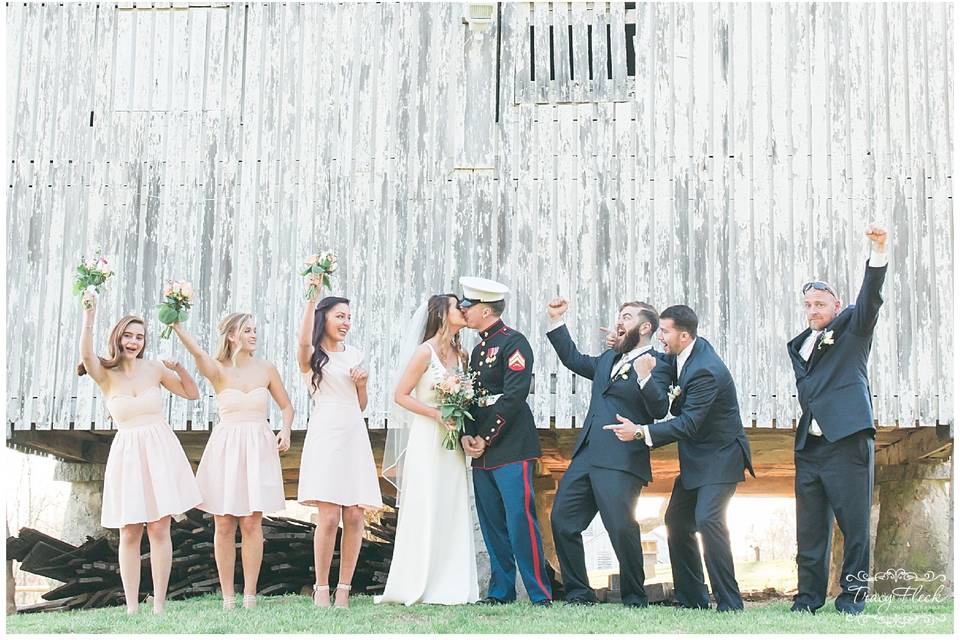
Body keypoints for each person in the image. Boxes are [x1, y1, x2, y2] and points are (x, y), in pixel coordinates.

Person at [606, 305, 754, 612]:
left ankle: (730, 603)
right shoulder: (684, 353)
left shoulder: (706, 370)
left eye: (666, 332)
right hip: (697, 458)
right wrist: (621, 344)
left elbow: (687, 423)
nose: (661, 337)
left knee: (708, 520)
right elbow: (657, 363)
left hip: (721, 457)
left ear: (683, 335)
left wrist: (640, 433)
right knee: (677, 519)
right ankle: (692, 599)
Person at [788, 225, 888, 615]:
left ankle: (852, 599)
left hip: (847, 440)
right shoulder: (797, 345)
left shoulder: (852, 329)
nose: (814, 311)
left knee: (855, 526)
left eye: (821, 305)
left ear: (837, 305)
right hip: (810, 447)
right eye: (809, 305)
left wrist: (877, 253)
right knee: (809, 529)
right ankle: (807, 600)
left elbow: (871, 300)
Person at [77, 297, 201, 614]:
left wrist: (180, 367)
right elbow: (86, 355)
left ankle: (159, 603)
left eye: (139, 337)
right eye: (129, 335)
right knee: (129, 530)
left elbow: (191, 393)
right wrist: (89, 314)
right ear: (118, 337)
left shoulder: (154, 369)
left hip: (159, 448)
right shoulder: (105, 373)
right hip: (127, 453)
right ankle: (131, 605)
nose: (134, 342)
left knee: (159, 527)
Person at [545, 298, 671, 607]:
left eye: (626, 317)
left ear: (645, 327)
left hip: (622, 457)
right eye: (618, 316)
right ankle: (578, 593)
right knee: (562, 520)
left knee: (620, 527)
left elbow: (659, 409)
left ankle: (634, 596)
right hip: (586, 453)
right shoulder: (608, 358)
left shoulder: (660, 362)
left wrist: (643, 376)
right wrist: (555, 320)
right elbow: (573, 359)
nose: (618, 321)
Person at [171, 313, 293, 609]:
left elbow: (287, 405)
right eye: (247, 330)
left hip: (258, 446)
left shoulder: (266, 369)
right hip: (227, 446)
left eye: (255, 330)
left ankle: (250, 595)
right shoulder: (218, 369)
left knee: (252, 521)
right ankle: (227, 597)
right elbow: (197, 352)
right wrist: (176, 323)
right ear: (231, 336)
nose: (254, 335)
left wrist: (285, 429)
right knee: (224, 523)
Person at [375, 294, 479, 605]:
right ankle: (417, 580)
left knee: (451, 503)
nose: (462, 309)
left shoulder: (462, 354)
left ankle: (452, 580)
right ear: (441, 314)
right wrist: (437, 415)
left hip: (452, 440)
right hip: (427, 435)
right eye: (455, 306)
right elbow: (401, 395)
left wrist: (458, 421)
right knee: (427, 501)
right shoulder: (424, 352)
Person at [458, 276, 552, 607]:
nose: (463, 312)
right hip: (481, 447)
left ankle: (539, 593)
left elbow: (514, 395)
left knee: (519, 519)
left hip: (510, 443)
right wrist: (466, 434)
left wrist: (485, 436)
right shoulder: (478, 348)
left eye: (468, 307)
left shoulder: (514, 343)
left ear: (484, 310)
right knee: (492, 522)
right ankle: (501, 591)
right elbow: (469, 396)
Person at [296, 284, 382, 609]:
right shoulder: (311, 355)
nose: (345, 322)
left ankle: (344, 588)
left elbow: (360, 405)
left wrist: (362, 385)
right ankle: (321, 587)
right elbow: (303, 340)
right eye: (339, 316)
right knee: (329, 516)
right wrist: (311, 299)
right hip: (326, 433)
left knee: (356, 514)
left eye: (348, 316)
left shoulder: (355, 354)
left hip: (353, 432)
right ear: (325, 318)